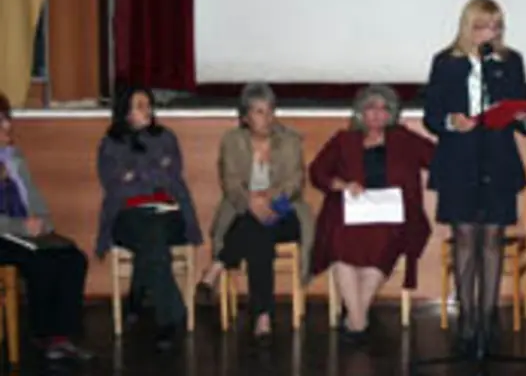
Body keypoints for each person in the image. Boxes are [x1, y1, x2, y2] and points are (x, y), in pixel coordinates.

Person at [422, 0, 526, 353]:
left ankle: (489, 317)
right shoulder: (445, 63)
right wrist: (451, 122)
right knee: (465, 239)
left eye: (496, 26)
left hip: (498, 158)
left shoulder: (509, 61)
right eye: (483, 26)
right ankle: (468, 317)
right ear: (467, 26)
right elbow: (431, 116)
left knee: (492, 239)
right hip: (459, 159)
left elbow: (520, 111)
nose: (490, 33)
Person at [310, 84, 434, 344]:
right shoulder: (344, 140)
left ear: (393, 114)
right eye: (371, 107)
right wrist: (343, 185)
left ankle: (354, 319)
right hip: (351, 213)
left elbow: (438, 158)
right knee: (339, 243)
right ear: (360, 113)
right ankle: (359, 320)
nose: (378, 114)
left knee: (382, 243)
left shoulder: (404, 138)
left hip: (393, 216)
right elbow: (317, 172)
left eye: (384, 108)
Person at [197, 83, 313, 344]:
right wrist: (251, 202)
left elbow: (295, 183)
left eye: (270, 110)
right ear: (245, 116)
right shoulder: (232, 141)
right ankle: (263, 316)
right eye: (259, 111)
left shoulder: (290, 140)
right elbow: (230, 182)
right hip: (243, 210)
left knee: (256, 228)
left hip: (285, 210)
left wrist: (267, 199)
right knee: (258, 235)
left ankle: (217, 267)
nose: (266, 117)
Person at [96, 86, 202, 351]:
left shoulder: (167, 137)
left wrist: (136, 173)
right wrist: (154, 170)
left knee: (155, 236)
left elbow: (172, 177)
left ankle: (138, 294)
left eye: (148, 104)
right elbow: (116, 186)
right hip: (127, 215)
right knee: (153, 239)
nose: (147, 110)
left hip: (169, 213)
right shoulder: (110, 144)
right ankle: (172, 314)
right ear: (126, 111)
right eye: (140, 105)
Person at [0, 93, 92, 361]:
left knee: (73, 258)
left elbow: (34, 198)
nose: (7, 126)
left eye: (7, 119)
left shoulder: (14, 157)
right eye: (1, 120)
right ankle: (43, 336)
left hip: (25, 232)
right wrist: (20, 226)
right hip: (4, 234)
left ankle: (64, 336)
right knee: (41, 262)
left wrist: (44, 222)